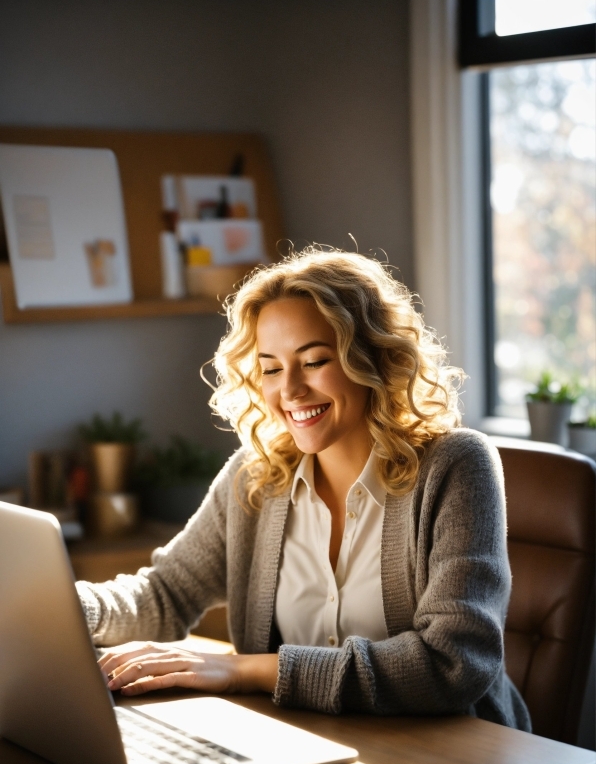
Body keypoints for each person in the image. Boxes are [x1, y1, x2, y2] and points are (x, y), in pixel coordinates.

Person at [77, 248, 530, 730]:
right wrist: (57, 607)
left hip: (457, 756)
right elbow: (165, 594)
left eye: (313, 361)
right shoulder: (255, 478)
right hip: (311, 745)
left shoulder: (456, 466)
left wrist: (244, 671)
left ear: (373, 357)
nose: (289, 390)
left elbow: (451, 662)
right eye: (270, 368)